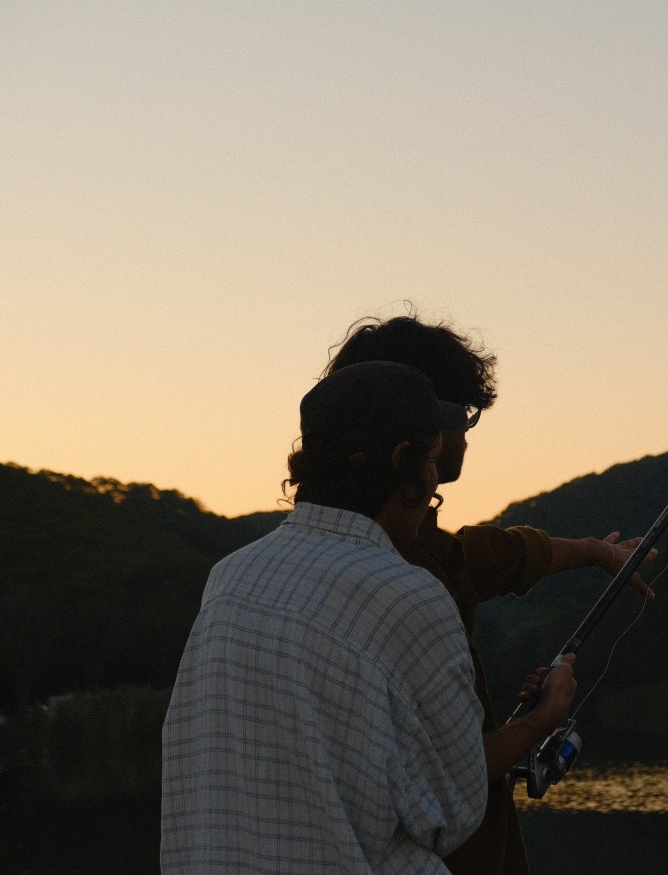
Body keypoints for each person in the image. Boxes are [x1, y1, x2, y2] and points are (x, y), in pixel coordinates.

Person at [161, 360, 577, 874]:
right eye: (430, 465)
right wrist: (543, 719)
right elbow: (452, 810)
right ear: (403, 460)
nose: (432, 490)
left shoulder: (229, 579)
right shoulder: (411, 598)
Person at [324, 314, 656, 875]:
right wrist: (540, 719)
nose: (468, 433)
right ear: (428, 423)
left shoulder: (376, 542)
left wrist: (596, 552)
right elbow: (452, 777)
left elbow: (490, 557)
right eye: (466, 415)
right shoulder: (402, 579)